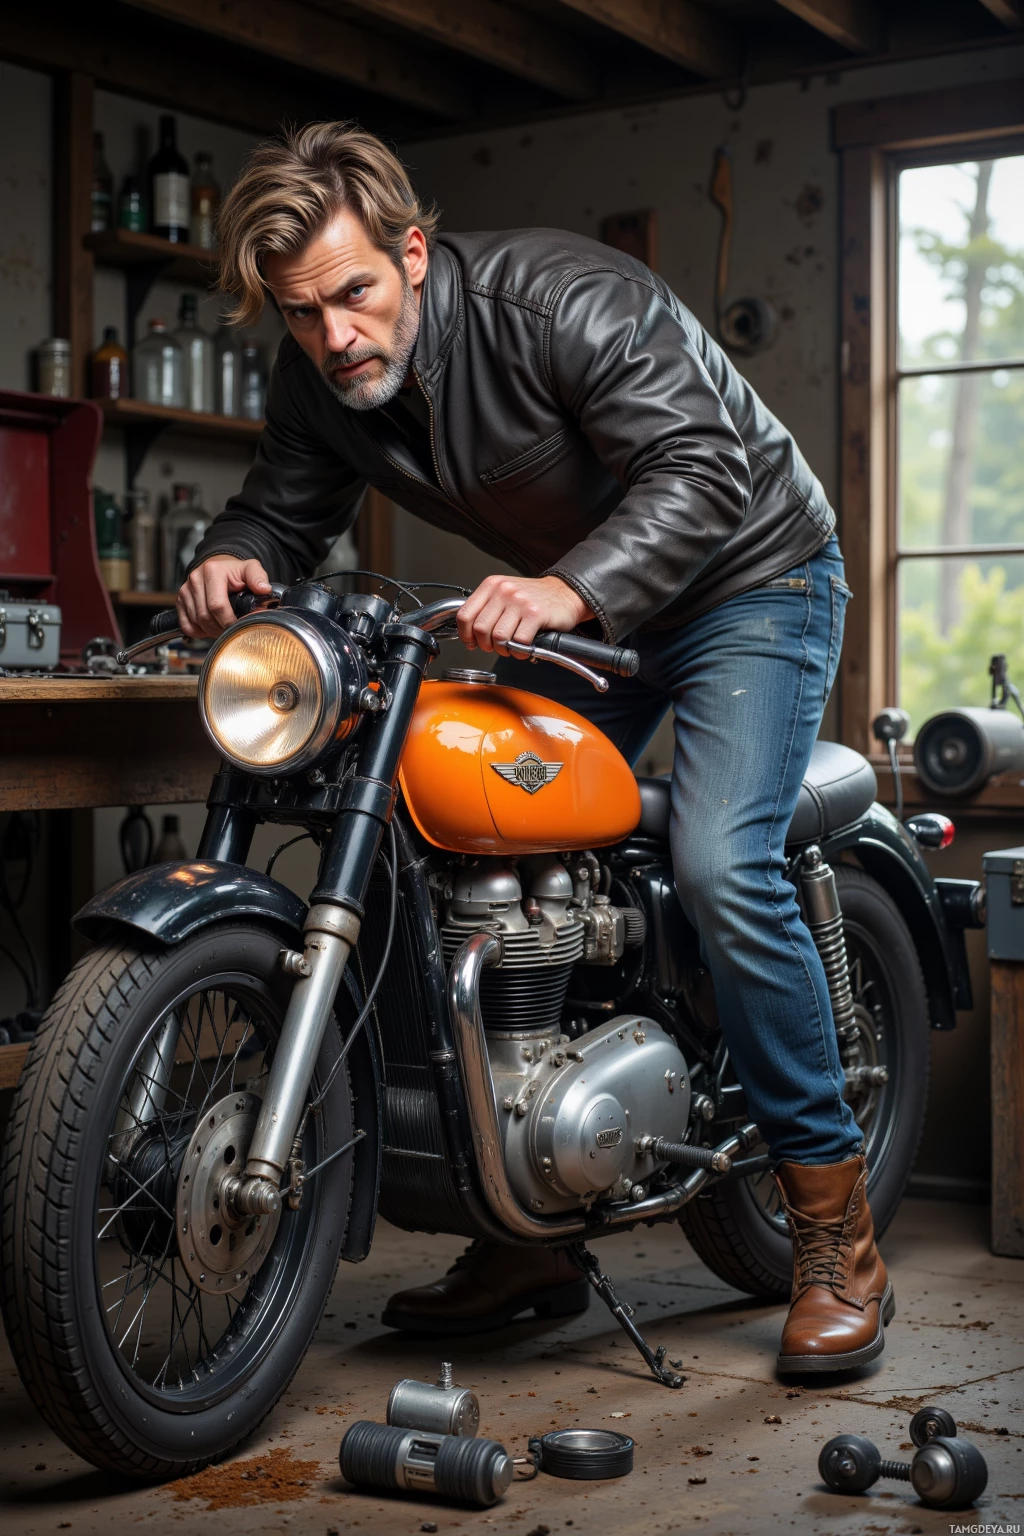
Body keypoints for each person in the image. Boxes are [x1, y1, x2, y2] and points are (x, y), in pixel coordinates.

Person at [179, 122, 891, 1375]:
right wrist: (236, 553)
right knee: (465, 832)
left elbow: (702, 467)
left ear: (412, 250)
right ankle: (530, 1230)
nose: (334, 335)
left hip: (751, 580)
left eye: (354, 293)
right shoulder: (320, 377)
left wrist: (570, 587)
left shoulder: (559, 299)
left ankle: (835, 1232)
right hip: (581, 606)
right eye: (302, 315)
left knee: (725, 861)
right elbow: (282, 505)